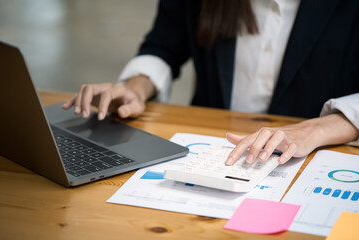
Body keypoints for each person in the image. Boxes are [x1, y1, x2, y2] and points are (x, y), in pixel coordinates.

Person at [63, 0, 359, 166]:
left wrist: (317, 129)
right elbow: (164, 45)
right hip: (213, 150)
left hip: (316, 158)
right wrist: (135, 88)